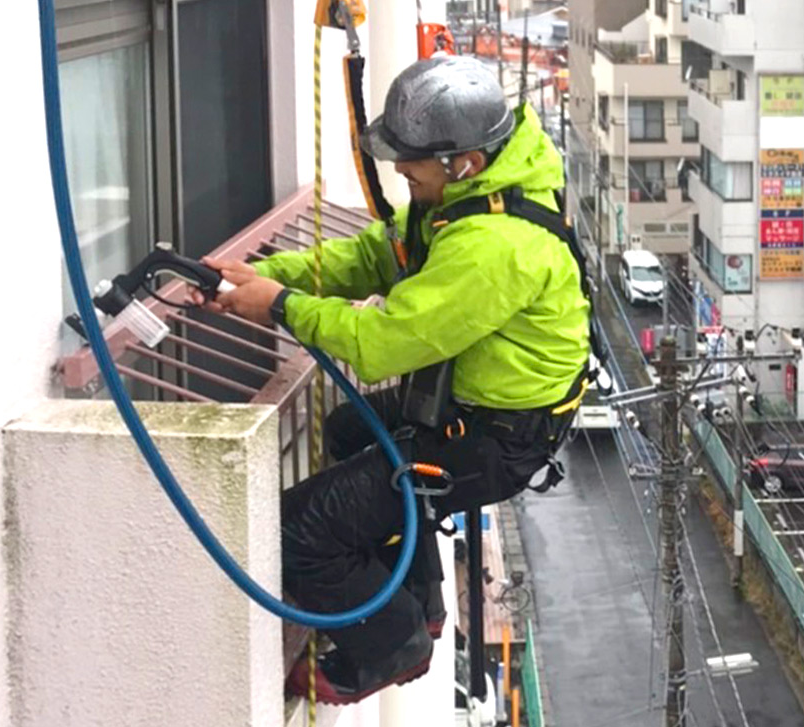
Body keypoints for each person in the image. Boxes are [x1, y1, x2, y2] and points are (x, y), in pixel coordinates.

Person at [193, 55, 590, 704]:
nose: (399, 169)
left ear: (464, 160)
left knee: (296, 531)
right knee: (350, 428)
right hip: (471, 410)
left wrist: (278, 306)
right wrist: (274, 273)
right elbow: (379, 255)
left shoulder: (496, 245)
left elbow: (383, 343)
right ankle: (420, 596)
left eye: (410, 158)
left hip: (493, 438)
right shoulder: (463, 201)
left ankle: (394, 642)